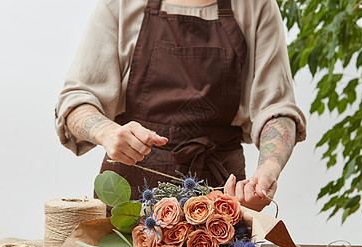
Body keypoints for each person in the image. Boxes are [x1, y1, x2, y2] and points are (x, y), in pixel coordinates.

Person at [55, 0, 306, 213]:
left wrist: (267, 171)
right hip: (127, 199)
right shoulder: (122, 4)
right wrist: (106, 132)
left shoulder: (256, 5)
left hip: (220, 199)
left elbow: (277, 108)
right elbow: (75, 100)